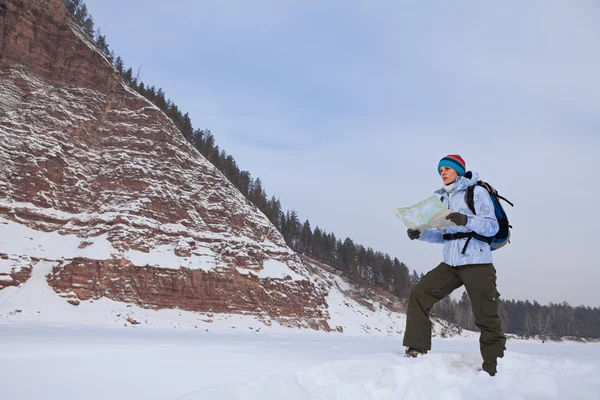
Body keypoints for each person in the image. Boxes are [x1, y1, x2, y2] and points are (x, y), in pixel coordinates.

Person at [403, 154, 506, 377]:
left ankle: (495, 365)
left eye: (447, 168)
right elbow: (443, 236)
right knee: (419, 294)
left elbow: (491, 227)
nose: (443, 172)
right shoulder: (440, 200)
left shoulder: (476, 192)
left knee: (486, 315)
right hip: (450, 264)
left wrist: (466, 219)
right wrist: (419, 234)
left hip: (477, 262)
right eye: (440, 170)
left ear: (458, 170)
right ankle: (416, 349)